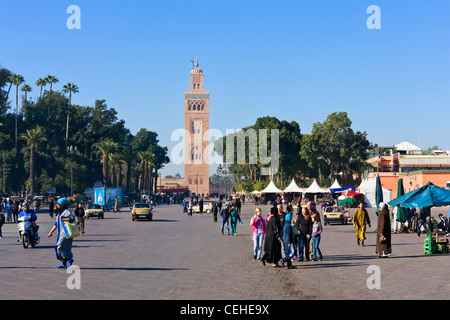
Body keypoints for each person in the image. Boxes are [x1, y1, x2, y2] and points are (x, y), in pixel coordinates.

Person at [47, 198, 75, 269]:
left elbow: (72, 218)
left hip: (66, 233)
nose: (57, 205)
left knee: (59, 246)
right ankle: (64, 264)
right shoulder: (60, 212)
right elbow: (56, 224)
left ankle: (69, 259)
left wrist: (64, 218)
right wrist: (51, 232)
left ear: (63, 205)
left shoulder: (66, 211)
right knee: (65, 248)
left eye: (58, 204)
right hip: (60, 233)